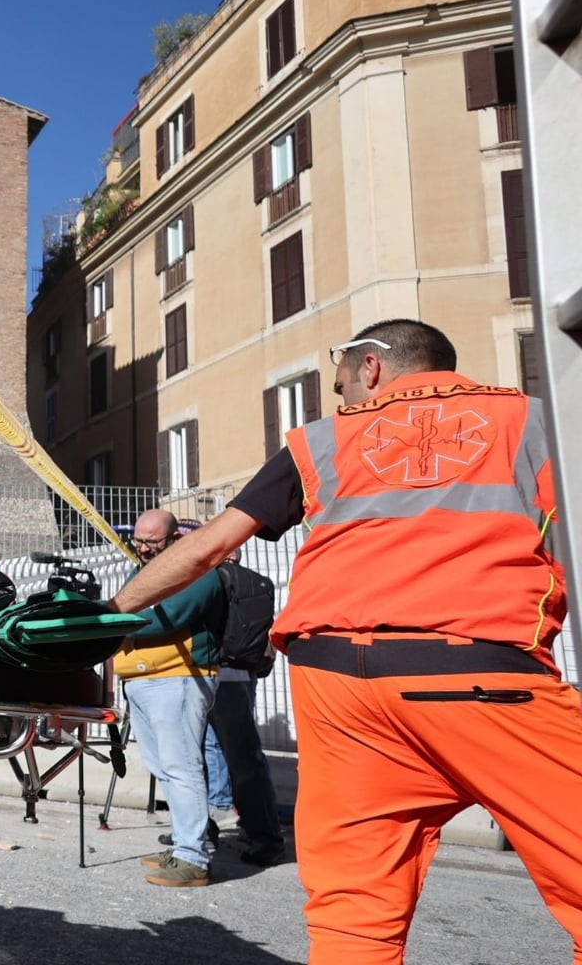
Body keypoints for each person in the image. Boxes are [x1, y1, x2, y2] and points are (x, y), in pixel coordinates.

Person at [110, 319, 578, 963]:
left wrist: (108, 615)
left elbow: (205, 548)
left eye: (341, 385)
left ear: (372, 367)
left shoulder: (322, 442)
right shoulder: (536, 421)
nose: (343, 400)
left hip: (336, 685)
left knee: (354, 915)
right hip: (480, 676)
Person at [113, 508, 224, 888]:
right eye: (138, 541)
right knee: (164, 768)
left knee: (181, 767)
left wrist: (112, 620)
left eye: (152, 542)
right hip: (145, 678)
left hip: (179, 677)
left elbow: (168, 617)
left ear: (174, 538)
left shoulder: (197, 569)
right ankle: (183, 845)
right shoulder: (145, 569)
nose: (143, 549)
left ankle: (193, 856)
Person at [205, 657, 288, 867]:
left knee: (242, 754)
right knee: (197, 753)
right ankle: (198, 831)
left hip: (228, 667)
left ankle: (266, 837)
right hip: (198, 669)